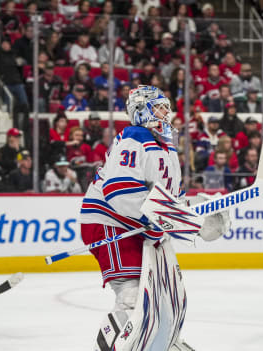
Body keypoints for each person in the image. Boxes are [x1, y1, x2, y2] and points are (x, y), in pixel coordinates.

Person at [78, 85, 229, 350]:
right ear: (141, 111)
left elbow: (174, 200)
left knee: (166, 298)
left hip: (139, 228)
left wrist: (198, 221)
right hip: (110, 223)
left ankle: (161, 344)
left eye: (166, 108)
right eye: (160, 107)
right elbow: (119, 190)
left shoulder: (168, 148)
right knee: (133, 298)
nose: (166, 113)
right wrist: (161, 217)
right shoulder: (134, 136)